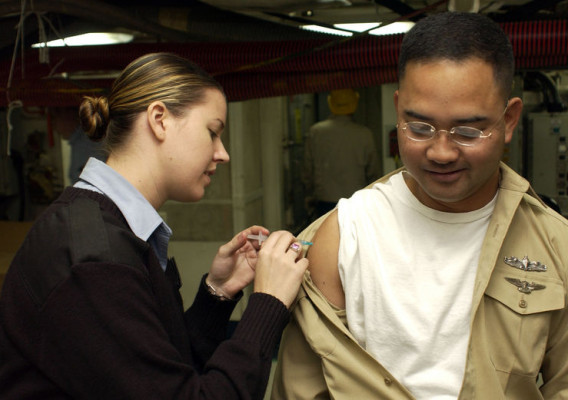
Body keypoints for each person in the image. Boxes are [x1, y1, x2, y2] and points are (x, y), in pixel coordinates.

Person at [272, 12, 568, 399]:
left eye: (468, 130)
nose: (441, 152)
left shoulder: (558, 247)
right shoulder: (343, 234)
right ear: (398, 110)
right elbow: (300, 390)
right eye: (420, 127)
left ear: (509, 120)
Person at [0, 52, 309, 399]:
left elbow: (161, 367)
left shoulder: (113, 228)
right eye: (212, 132)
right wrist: (268, 302)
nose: (223, 154)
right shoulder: (94, 258)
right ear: (160, 119)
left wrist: (218, 293)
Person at [302, 88, 381, 219]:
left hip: (324, 201)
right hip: (355, 200)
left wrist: (309, 194)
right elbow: (373, 173)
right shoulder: (364, 134)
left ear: (331, 103)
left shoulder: (316, 132)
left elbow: (307, 170)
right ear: (355, 104)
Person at [52, 107, 106, 185]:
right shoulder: (78, 142)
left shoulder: (89, 143)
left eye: (54, 119)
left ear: (68, 117)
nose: (54, 127)